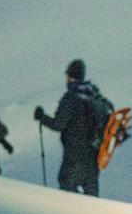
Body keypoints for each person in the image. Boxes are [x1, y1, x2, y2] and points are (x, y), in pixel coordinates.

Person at [35, 59, 105, 196]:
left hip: (74, 156)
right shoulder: (94, 95)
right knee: (93, 197)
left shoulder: (71, 99)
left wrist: (42, 117)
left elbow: (58, 124)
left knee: (67, 188)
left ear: (70, 76)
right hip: (93, 155)